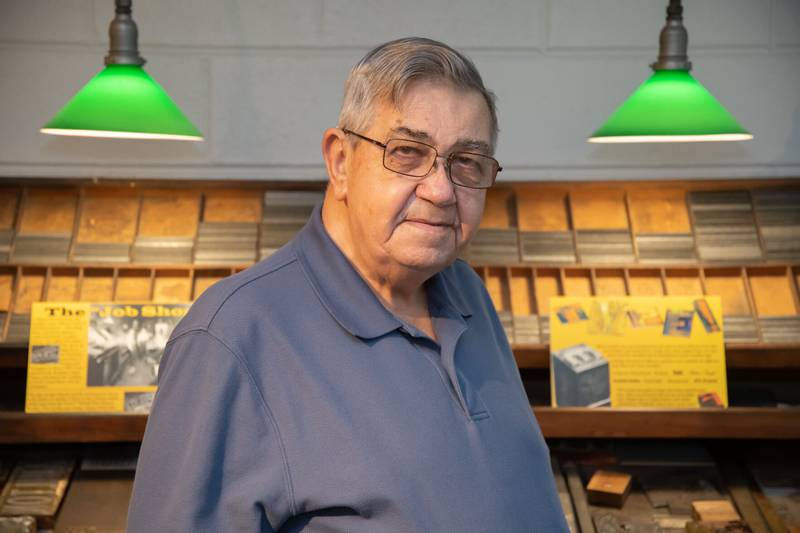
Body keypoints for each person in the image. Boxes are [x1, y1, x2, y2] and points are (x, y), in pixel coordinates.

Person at [127, 37, 568, 532]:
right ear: (340, 161)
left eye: (467, 161)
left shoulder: (465, 291)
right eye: (406, 152)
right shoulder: (231, 338)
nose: (442, 190)